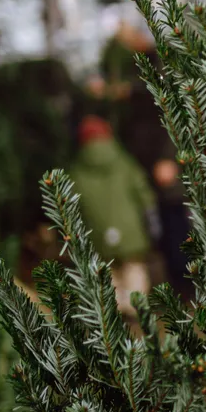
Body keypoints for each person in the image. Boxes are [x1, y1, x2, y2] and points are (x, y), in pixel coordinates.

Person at [68, 115, 158, 317]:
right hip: (131, 230)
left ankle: (116, 309)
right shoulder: (124, 162)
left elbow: (73, 206)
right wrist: (151, 220)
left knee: (108, 272)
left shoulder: (77, 171)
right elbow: (143, 191)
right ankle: (135, 308)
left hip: (97, 233)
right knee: (133, 267)